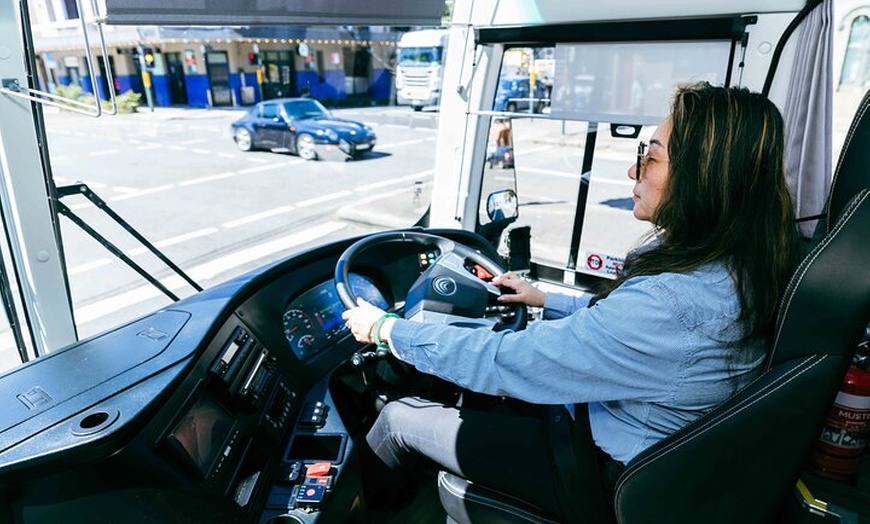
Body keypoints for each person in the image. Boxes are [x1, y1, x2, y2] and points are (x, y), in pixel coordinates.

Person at [342, 82, 800, 522]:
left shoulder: (673, 300)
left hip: (596, 473)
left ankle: (382, 513)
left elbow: (507, 362)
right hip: (646, 453)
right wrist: (546, 298)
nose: (632, 173)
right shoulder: (739, 266)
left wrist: (388, 330)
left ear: (704, 177)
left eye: (651, 159)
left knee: (401, 418)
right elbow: (633, 331)